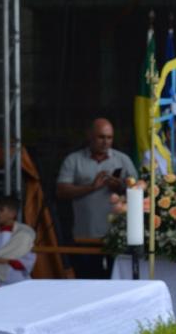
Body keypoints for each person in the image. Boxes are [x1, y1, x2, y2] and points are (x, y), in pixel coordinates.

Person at [57, 118, 137, 278]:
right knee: (88, 280)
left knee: (117, 281)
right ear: (90, 136)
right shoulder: (74, 160)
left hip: (117, 236)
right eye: (101, 137)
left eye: (109, 138)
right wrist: (91, 187)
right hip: (85, 235)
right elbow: (61, 191)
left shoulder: (122, 159)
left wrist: (120, 186)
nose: (105, 142)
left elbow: (139, 190)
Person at [0, 196, 36, 291]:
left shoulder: (24, 234)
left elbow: (24, 261)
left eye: (1, 210)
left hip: (13, 276)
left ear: (12, 214)